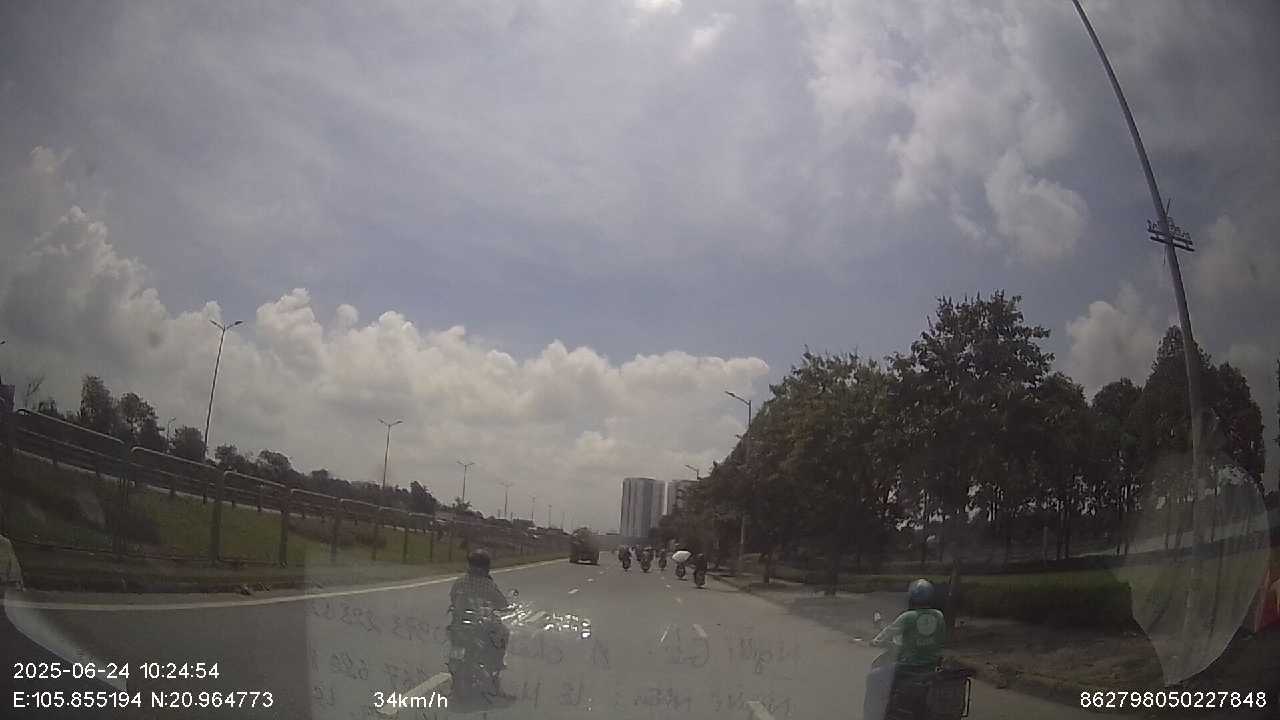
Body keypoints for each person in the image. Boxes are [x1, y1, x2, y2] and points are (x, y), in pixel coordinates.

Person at [863, 579, 945, 720]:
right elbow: (941, 638)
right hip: (931, 666)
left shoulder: (908, 617)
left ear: (911, 597)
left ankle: (871, 716)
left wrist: (875, 642)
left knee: (873, 677)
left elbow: (889, 632)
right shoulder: (939, 615)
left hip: (908, 667)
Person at [448, 549, 514, 697]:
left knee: (454, 642)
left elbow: (453, 597)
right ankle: (495, 675)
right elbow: (501, 603)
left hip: (459, 625)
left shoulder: (460, 582)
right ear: (486, 567)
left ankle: (455, 681)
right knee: (504, 633)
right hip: (482, 625)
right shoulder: (488, 584)